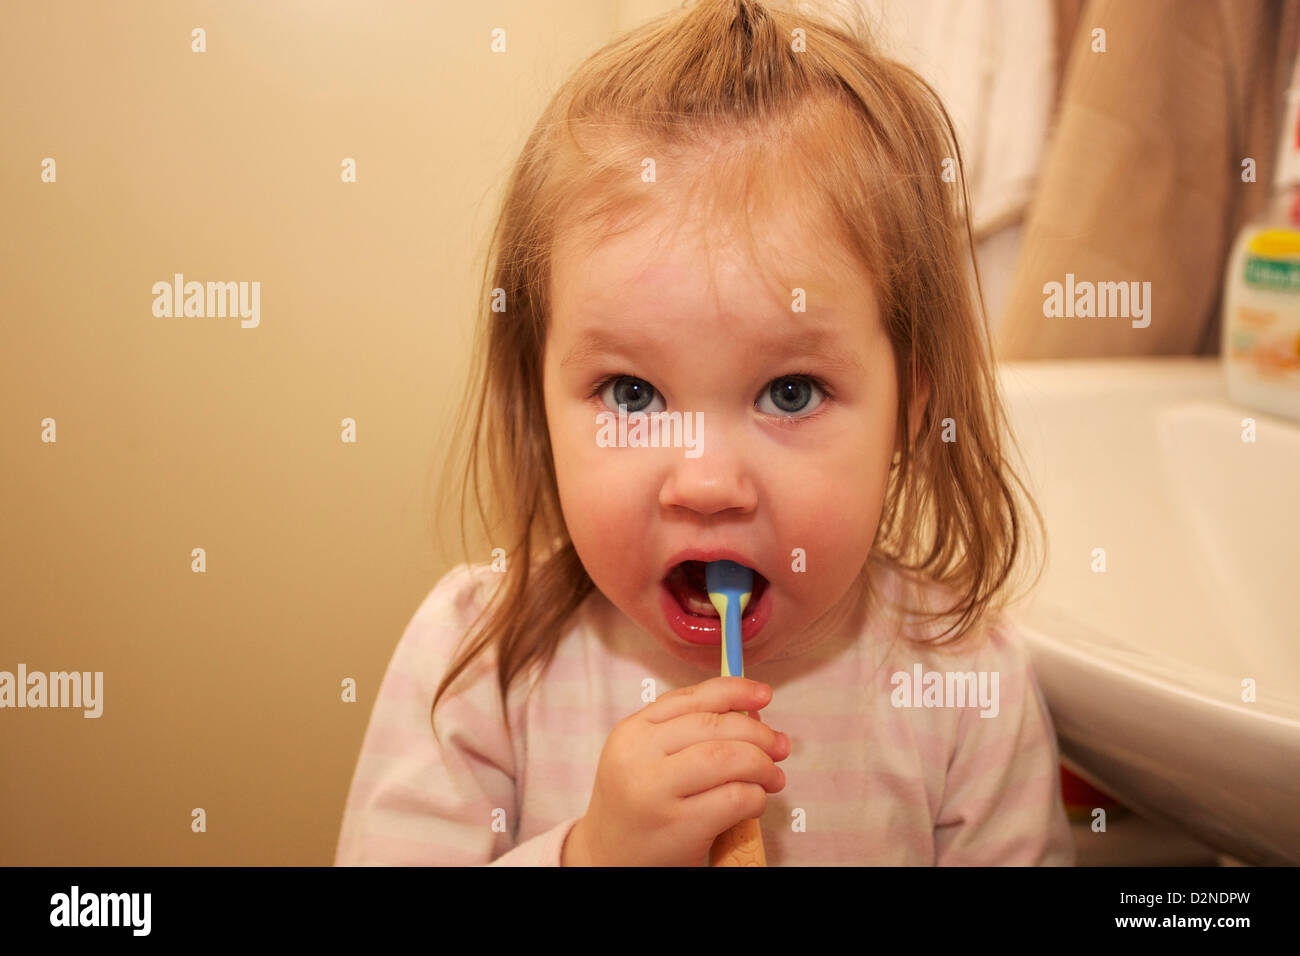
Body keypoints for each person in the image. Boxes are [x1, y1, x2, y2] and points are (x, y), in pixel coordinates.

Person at [334, 0, 1074, 866]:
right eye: (633, 393)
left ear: (912, 403)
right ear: (539, 396)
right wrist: (590, 857)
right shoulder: (478, 662)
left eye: (790, 392)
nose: (708, 482)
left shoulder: (965, 680)